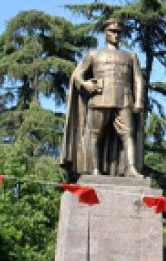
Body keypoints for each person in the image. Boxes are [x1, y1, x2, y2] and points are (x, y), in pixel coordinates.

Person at [62, 18, 146, 177]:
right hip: (100, 99)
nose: (115, 35)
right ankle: (94, 169)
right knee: (94, 134)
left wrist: (139, 100)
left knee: (128, 134)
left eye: (118, 32)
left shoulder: (131, 56)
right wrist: (85, 84)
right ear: (105, 33)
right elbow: (77, 74)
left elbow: (138, 79)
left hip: (124, 100)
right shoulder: (93, 55)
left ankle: (130, 168)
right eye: (112, 31)